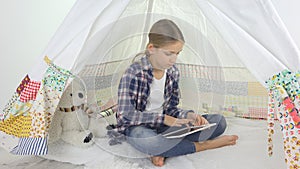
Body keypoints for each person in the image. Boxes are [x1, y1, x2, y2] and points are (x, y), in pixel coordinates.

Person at [116, 19, 238, 167]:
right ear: (151, 48)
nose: (174, 59)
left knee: (219, 122)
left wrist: (188, 115)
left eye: (177, 53)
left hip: (165, 127)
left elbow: (172, 108)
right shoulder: (133, 73)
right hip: (138, 128)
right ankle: (204, 145)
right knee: (150, 141)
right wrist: (164, 119)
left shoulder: (172, 72)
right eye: (169, 53)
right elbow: (125, 116)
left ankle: (163, 150)